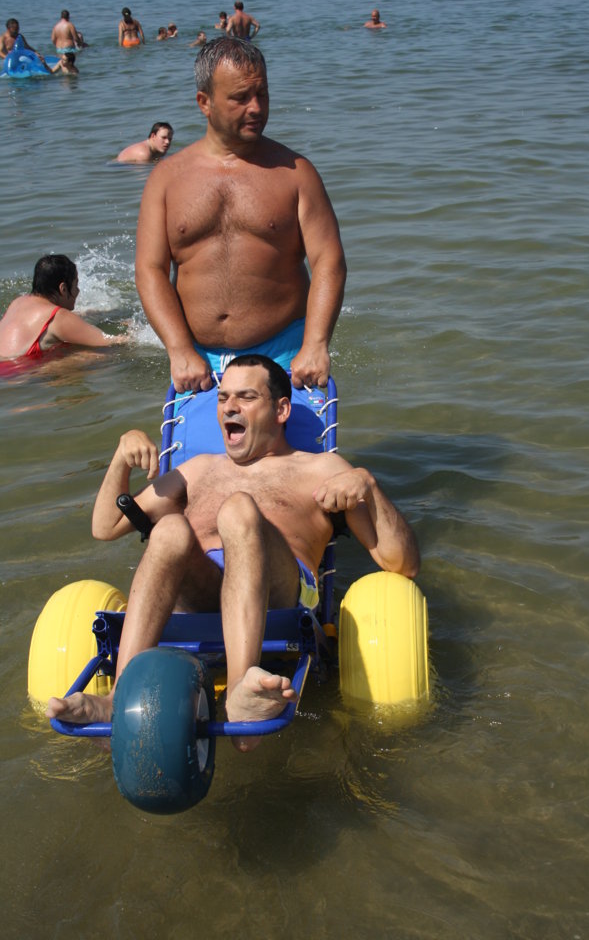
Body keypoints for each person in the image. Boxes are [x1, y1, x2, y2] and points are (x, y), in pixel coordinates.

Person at [45, 355, 420, 747]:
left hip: (280, 592)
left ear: (282, 410)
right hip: (201, 591)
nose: (229, 407)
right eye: (223, 398)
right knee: (170, 528)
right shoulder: (199, 469)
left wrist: (368, 487)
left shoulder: (323, 469)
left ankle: (241, 688)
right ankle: (119, 697)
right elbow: (105, 527)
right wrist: (121, 458)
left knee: (239, 510)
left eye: (246, 397)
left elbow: (402, 563)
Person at [135, 38, 346, 394]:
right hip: (196, 360)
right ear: (204, 102)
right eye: (240, 97)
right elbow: (149, 269)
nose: (256, 107)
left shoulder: (296, 173)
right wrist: (179, 348)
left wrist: (315, 343)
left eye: (262, 94)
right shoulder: (167, 179)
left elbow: (329, 260)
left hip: (286, 354)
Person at [0, 255, 125, 360]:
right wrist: (131, 331)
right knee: (91, 354)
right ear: (63, 289)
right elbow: (113, 342)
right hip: (17, 373)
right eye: (76, 285)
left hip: (5, 370)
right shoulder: (59, 317)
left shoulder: (18, 302)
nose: (78, 291)